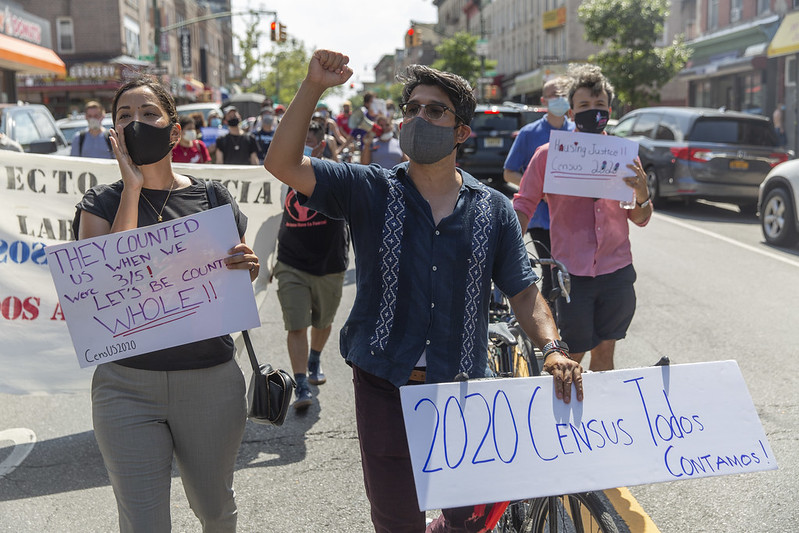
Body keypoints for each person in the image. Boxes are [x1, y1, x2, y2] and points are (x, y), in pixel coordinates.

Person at [265, 49, 582, 533]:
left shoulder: (493, 209)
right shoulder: (368, 188)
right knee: (397, 522)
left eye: (434, 110)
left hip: (459, 389)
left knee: (466, 521)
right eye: (411, 108)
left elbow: (522, 290)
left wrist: (554, 349)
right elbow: (282, 162)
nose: (418, 117)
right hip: (383, 385)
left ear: (461, 132)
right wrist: (312, 87)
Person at [73, 75, 260, 532]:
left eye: (149, 113)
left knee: (215, 510)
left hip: (210, 381)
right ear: (113, 133)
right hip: (126, 386)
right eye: (125, 116)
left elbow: (238, 274)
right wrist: (132, 188)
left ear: (174, 131)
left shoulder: (213, 198)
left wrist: (246, 265)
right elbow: (107, 280)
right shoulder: (99, 204)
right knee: (143, 523)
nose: (137, 122)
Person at [513, 63, 652, 372]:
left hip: (616, 271)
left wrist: (642, 193)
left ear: (610, 110)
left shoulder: (624, 156)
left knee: (605, 355)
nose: (593, 110)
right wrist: (507, 249)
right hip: (572, 275)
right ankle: (563, 418)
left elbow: (641, 218)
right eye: (585, 105)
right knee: (570, 359)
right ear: (571, 112)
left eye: (599, 105)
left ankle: (602, 420)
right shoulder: (548, 155)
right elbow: (524, 204)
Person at [274, 120, 349, 410]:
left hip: (330, 263)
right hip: (291, 261)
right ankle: (301, 383)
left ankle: (315, 357)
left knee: (323, 321)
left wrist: (326, 160)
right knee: (296, 325)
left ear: (319, 145)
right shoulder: (280, 172)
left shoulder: (338, 176)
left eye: (306, 142)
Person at [503, 76, 573, 301]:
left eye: (564, 93)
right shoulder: (528, 133)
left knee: (571, 275)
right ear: (544, 100)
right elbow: (509, 172)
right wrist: (540, 190)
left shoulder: (578, 133)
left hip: (571, 220)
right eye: (554, 94)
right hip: (541, 218)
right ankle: (548, 330)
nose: (559, 98)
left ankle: (568, 323)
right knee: (552, 274)